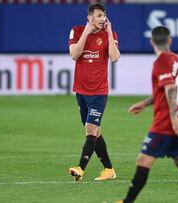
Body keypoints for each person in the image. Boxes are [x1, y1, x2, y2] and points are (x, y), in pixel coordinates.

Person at [117, 26, 178, 203]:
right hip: (176, 121)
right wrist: (145, 103)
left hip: (165, 123)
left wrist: (173, 119)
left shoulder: (161, 61)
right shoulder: (176, 60)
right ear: (169, 40)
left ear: (151, 42)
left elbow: (171, 89)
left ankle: (126, 202)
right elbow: (165, 91)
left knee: (143, 161)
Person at [67, 2, 120, 181]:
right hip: (81, 91)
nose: (102, 19)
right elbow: (74, 55)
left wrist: (110, 33)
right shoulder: (76, 30)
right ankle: (109, 169)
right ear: (89, 18)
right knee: (95, 132)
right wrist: (86, 32)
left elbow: (114, 57)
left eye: (104, 16)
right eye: (98, 16)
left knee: (90, 130)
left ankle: (80, 168)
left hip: (99, 92)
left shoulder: (109, 35)